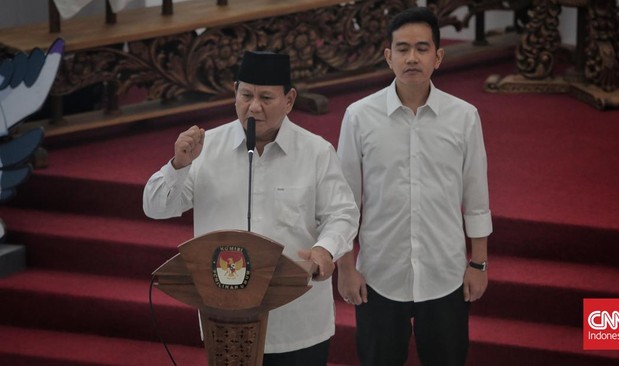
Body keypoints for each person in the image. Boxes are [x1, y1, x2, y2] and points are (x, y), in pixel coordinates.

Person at [143, 50, 360, 366]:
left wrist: (324, 251)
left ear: (289, 100)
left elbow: (342, 213)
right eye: (246, 95)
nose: (254, 106)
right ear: (234, 93)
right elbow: (155, 207)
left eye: (266, 97)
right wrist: (178, 165)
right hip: (227, 323)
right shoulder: (206, 148)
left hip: (297, 321)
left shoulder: (315, 151)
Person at [336, 7, 492, 366]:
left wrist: (479, 264)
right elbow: (344, 201)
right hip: (378, 274)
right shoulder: (359, 117)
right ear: (388, 56)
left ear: (438, 56)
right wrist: (346, 267)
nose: (411, 58)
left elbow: (476, 196)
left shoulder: (463, 116)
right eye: (402, 48)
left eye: (422, 48)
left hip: (446, 273)